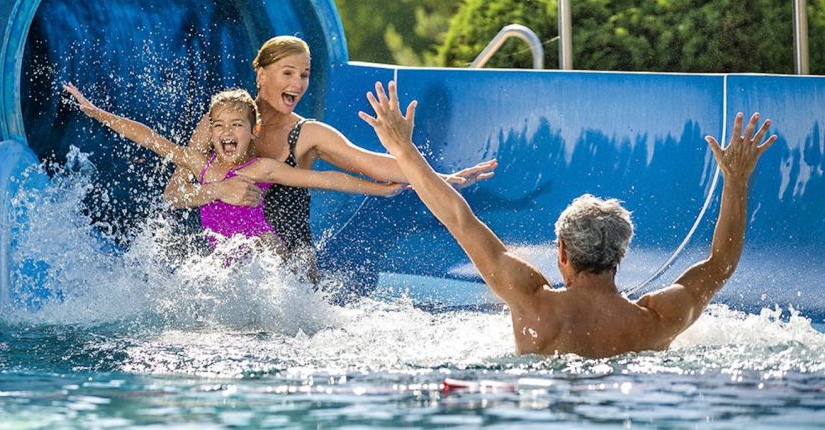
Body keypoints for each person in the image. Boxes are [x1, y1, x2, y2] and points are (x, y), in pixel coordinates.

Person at [359, 80, 777, 357]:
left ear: (561, 251)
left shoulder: (534, 304)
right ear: (621, 255)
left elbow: (458, 219)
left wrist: (404, 151)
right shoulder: (658, 321)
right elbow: (721, 263)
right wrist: (736, 179)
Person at [162, 36, 498, 279]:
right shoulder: (216, 125)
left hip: (288, 271)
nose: (298, 83)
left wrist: (441, 179)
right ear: (261, 75)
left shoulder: (308, 134)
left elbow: (375, 166)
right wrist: (219, 190)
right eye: (288, 72)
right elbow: (174, 196)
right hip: (228, 265)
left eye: (304, 74)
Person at [63, 84, 403, 256]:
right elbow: (150, 138)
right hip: (224, 259)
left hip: (267, 254)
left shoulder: (262, 169)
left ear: (252, 131)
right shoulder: (201, 165)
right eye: (220, 125)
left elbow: (325, 179)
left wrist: (380, 188)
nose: (228, 132)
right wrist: (97, 113)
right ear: (210, 132)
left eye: (237, 124)